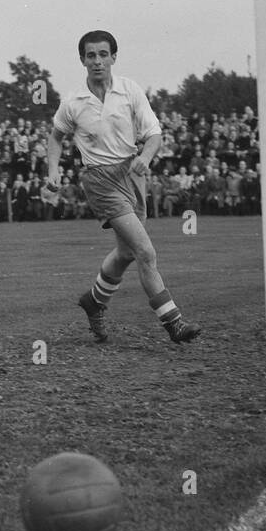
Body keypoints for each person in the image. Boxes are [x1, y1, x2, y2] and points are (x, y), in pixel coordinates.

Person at [47, 30, 200, 345]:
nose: (97, 61)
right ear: (82, 60)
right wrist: (53, 169)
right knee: (145, 251)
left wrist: (145, 156)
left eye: (103, 54)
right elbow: (55, 137)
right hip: (100, 180)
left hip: (132, 174)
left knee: (127, 252)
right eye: (91, 55)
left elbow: (154, 134)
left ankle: (94, 301)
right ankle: (174, 322)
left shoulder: (130, 91)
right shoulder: (73, 101)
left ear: (113, 57)